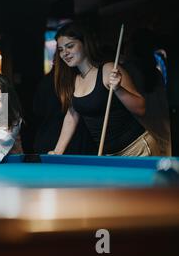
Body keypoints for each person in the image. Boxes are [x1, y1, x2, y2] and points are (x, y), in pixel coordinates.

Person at [50, 22, 159, 156]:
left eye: (70, 46)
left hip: (136, 150)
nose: (65, 53)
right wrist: (57, 151)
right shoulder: (74, 80)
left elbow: (141, 108)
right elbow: (72, 116)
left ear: (85, 44)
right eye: (60, 50)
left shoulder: (108, 70)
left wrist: (118, 89)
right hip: (110, 156)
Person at [123, 28, 172, 156]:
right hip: (163, 130)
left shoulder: (128, 71)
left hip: (146, 134)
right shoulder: (156, 72)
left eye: (127, 43)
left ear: (132, 47)